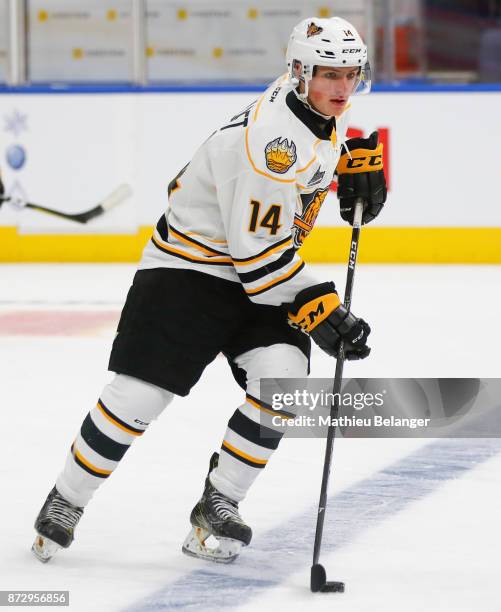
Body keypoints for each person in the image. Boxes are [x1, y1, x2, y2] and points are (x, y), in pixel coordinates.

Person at [32, 16, 387, 564]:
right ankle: (66, 500)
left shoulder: (312, 111)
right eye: (329, 74)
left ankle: (218, 505)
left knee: (283, 383)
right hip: (188, 270)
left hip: (255, 268)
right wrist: (322, 306)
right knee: (139, 396)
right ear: (299, 71)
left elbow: (279, 217)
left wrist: (343, 169)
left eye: (350, 74)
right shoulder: (269, 143)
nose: (342, 88)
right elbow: (258, 260)